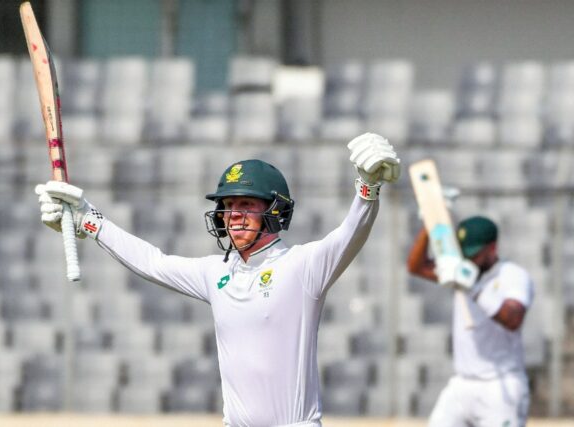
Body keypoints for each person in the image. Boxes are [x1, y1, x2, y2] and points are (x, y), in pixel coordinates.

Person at [35, 132, 400, 426]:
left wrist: (367, 188)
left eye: (247, 205)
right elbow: (151, 262)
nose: (233, 215)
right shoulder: (217, 274)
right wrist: (90, 221)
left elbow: (351, 233)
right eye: (228, 206)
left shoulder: (303, 267)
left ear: (276, 210)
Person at [407, 215, 534, 427]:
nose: (468, 259)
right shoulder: (462, 270)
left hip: (501, 386)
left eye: (474, 254)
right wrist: (430, 223)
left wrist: (474, 288)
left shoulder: (513, 275)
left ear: (492, 249)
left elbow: (513, 319)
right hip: (461, 384)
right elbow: (416, 266)